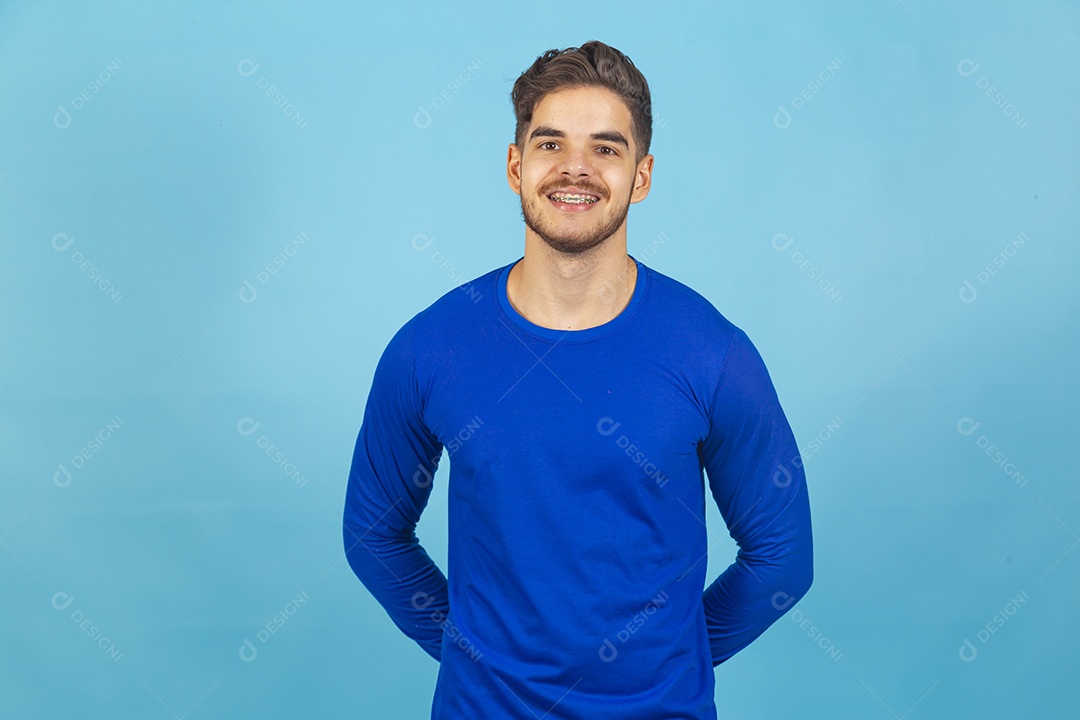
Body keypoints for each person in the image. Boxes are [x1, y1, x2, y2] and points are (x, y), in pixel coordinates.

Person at [343, 39, 813, 719]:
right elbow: (373, 536)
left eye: (606, 148)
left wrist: (671, 660)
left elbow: (782, 559)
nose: (575, 169)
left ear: (642, 176)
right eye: (550, 143)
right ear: (515, 165)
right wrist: (471, 654)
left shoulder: (712, 353)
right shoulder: (430, 347)